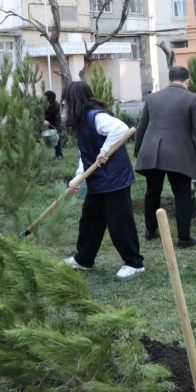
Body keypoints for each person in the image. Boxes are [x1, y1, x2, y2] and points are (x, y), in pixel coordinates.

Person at [63, 81, 145, 278]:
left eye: (66, 99)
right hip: (98, 180)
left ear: (74, 99)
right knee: (90, 220)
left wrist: (105, 151)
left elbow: (122, 129)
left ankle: (134, 263)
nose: (64, 104)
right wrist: (78, 178)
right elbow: (87, 156)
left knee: (120, 223)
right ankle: (84, 259)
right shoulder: (82, 122)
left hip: (115, 179)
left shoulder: (96, 117)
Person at [134, 66, 196, 246]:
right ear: (187, 80)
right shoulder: (192, 98)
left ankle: (150, 230)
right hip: (179, 153)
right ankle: (184, 239)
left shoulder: (152, 98)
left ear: (169, 81)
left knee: (152, 191)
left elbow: (141, 127)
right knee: (182, 195)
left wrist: (138, 151)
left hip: (152, 152)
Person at [43, 90, 63, 159]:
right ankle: (38, 156)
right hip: (40, 122)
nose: (49, 104)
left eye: (51, 103)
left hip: (52, 122)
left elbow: (58, 119)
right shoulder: (39, 103)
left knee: (57, 138)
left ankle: (59, 154)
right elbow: (34, 114)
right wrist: (42, 120)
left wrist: (56, 131)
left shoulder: (56, 105)